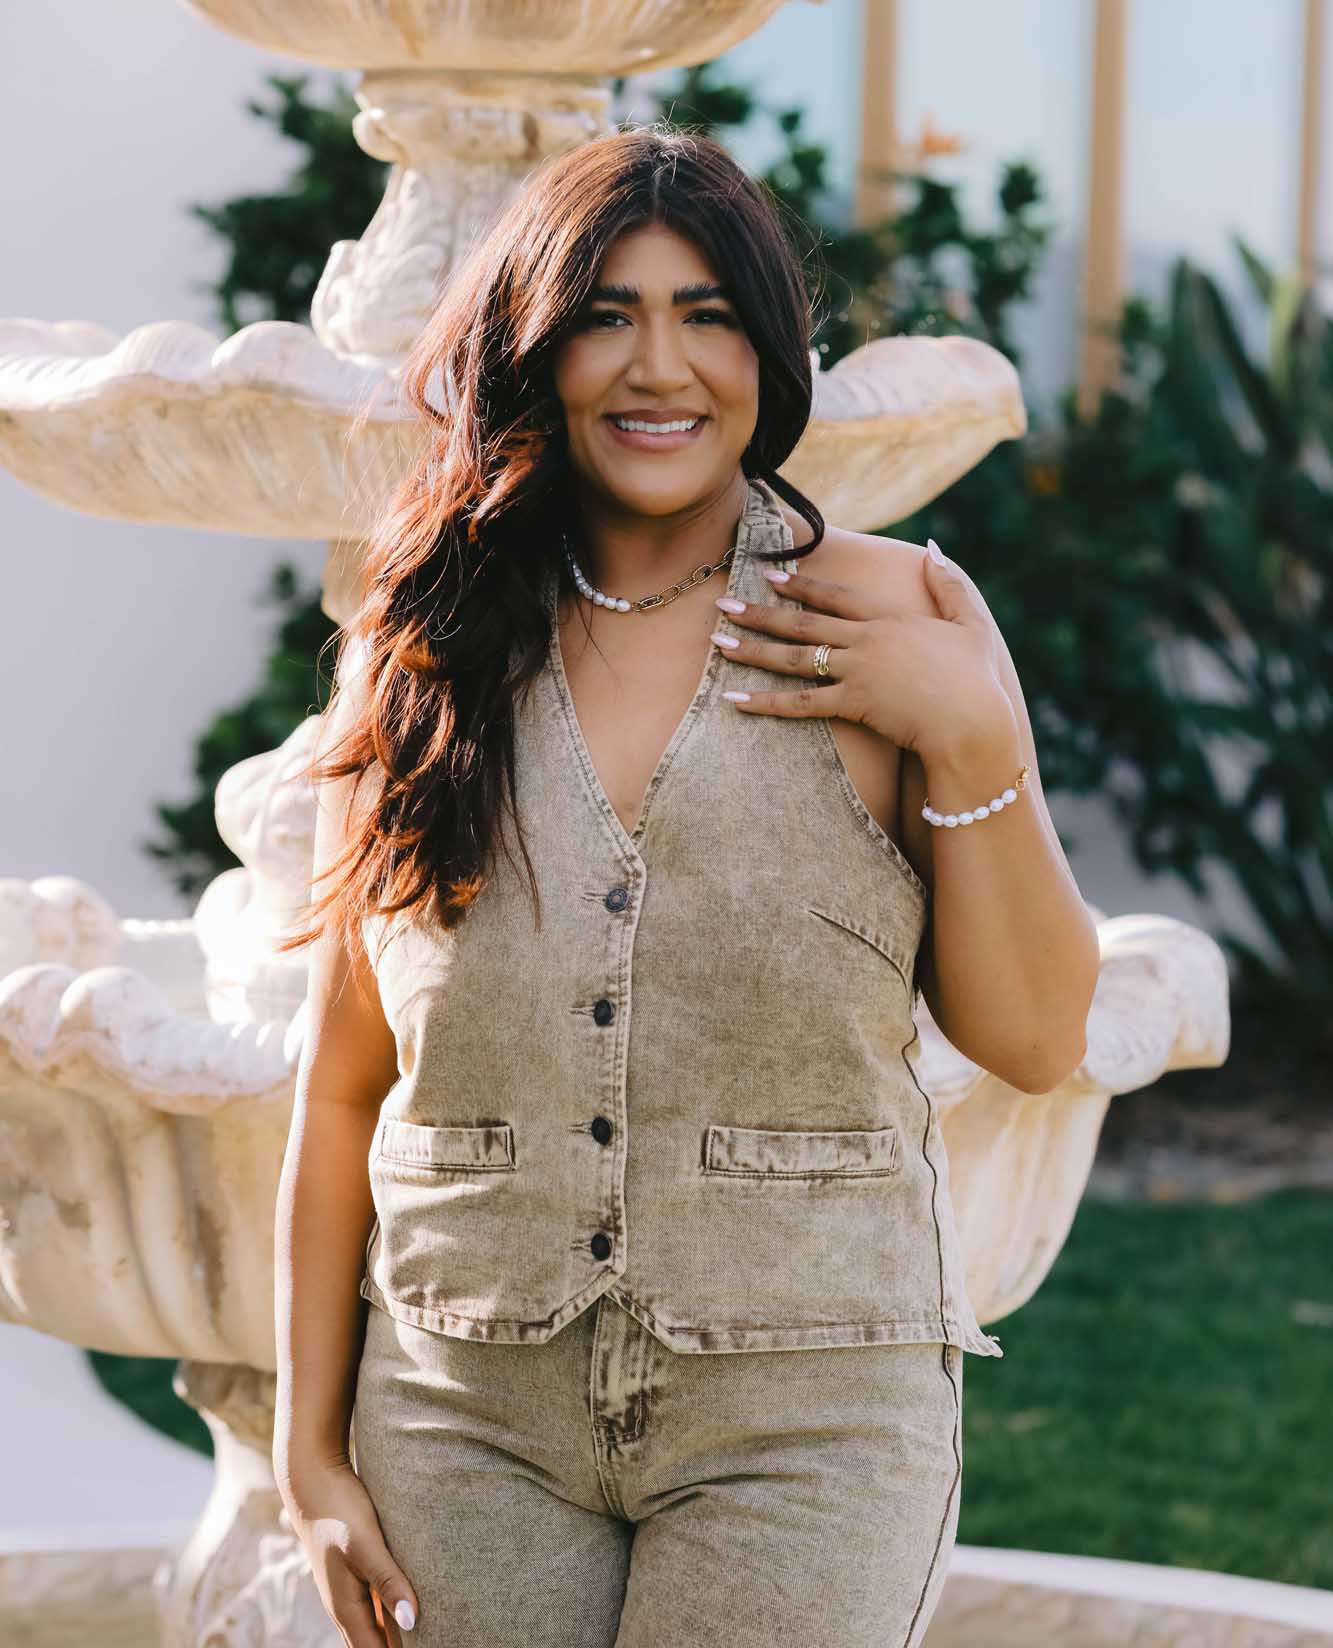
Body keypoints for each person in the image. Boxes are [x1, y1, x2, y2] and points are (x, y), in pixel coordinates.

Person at [271, 123, 1100, 1648]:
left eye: (706, 313)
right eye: (606, 313)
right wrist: (306, 1450)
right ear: (534, 350)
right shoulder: (424, 656)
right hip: (462, 1420)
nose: (660, 366)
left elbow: (1039, 1038)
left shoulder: (895, 612)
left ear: (769, 352)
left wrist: (971, 726)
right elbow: (341, 1088)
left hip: (806, 1423)